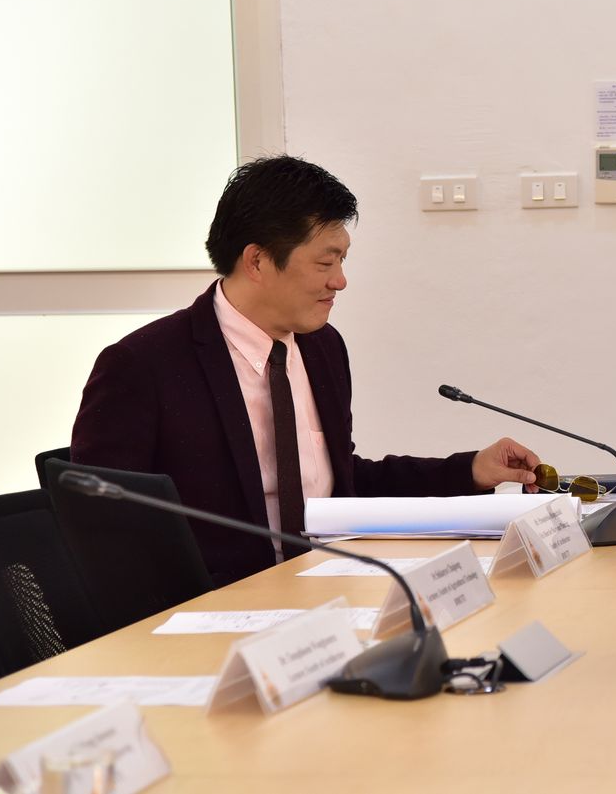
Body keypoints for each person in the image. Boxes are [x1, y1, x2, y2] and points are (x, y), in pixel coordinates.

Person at [72, 155, 543, 586]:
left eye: (342, 260)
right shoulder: (143, 365)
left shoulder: (322, 348)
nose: (340, 280)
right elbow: (103, 527)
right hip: (217, 610)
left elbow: (340, 485)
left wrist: (469, 470)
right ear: (257, 261)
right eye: (325, 262)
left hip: (330, 589)